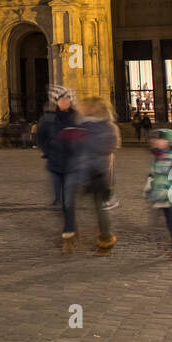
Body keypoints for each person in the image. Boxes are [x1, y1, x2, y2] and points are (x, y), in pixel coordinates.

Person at [72, 97, 118, 255]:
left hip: (96, 172)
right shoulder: (88, 125)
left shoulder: (101, 127)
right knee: (72, 204)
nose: (84, 108)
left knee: (99, 208)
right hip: (87, 171)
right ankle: (72, 235)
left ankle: (105, 242)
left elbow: (94, 146)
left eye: (88, 106)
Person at [146, 128, 172, 260]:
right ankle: (165, 244)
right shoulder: (157, 159)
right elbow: (152, 175)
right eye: (156, 139)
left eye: (161, 139)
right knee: (164, 223)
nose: (156, 141)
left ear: (169, 143)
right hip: (159, 197)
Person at [37, 85, 76, 211]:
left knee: (68, 186)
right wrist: (47, 150)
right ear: (56, 101)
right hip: (55, 157)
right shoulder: (49, 118)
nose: (64, 102)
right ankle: (58, 199)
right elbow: (41, 136)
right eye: (61, 99)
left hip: (71, 158)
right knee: (57, 181)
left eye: (67, 99)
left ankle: (66, 207)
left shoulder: (76, 117)